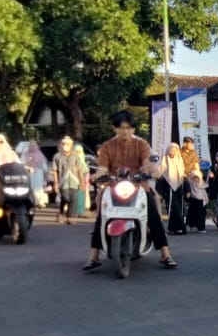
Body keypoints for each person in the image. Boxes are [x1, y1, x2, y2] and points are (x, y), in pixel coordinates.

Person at [83, 110, 177, 271]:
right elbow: (102, 167)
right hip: (114, 187)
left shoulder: (141, 144)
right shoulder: (107, 146)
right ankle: (94, 255)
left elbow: (147, 163)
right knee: (101, 216)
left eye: (128, 128)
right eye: (121, 128)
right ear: (115, 128)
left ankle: (165, 254)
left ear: (133, 129)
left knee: (153, 214)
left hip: (138, 186)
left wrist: (154, 171)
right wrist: (96, 175)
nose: (125, 131)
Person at [51, 136, 87, 224]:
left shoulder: (76, 157)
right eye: (63, 144)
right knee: (65, 198)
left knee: (74, 200)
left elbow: (79, 170)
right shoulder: (57, 157)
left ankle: (70, 218)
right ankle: (61, 212)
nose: (65, 146)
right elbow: (55, 170)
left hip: (75, 181)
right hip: (63, 181)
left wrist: (82, 182)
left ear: (71, 146)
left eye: (67, 144)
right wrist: (56, 183)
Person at [157, 142, 187, 235]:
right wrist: (160, 192)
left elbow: (183, 175)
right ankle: (180, 228)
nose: (173, 152)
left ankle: (172, 228)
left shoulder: (179, 160)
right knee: (173, 208)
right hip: (168, 189)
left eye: (175, 150)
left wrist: (187, 189)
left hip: (179, 188)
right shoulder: (164, 160)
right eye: (172, 150)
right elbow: (159, 175)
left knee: (179, 208)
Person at [181, 136, 208, 233]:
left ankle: (196, 224)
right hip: (183, 177)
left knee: (197, 201)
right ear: (185, 143)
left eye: (192, 144)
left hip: (194, 177)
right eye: (190, 143)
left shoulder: (194, 153)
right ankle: (189, 223)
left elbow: (196, 164)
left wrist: (198, 174)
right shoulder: (180, 152)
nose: (192, 145)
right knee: (192, 201)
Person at [21, 140, 49, 208]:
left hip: (38, 172)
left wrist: (45, 172)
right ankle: (31, 201)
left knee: (39, 187)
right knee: (30, 186)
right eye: (31, 145)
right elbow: (22, 164)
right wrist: (28, 166)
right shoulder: (24, 154)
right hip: (28, 172)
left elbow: (44, 165)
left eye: (34, 145)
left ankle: (40, 202)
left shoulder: (40, 154)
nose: (32, 147)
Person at [72, 144, 90, 217]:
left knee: (81, 197)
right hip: (76, 181)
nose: (78, 153)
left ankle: (80, 212)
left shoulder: (83, 160)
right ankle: (75, 212)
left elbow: (85, 171)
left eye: (79, 151)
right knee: (76, 197)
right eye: (76, 151)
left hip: (82, 182)